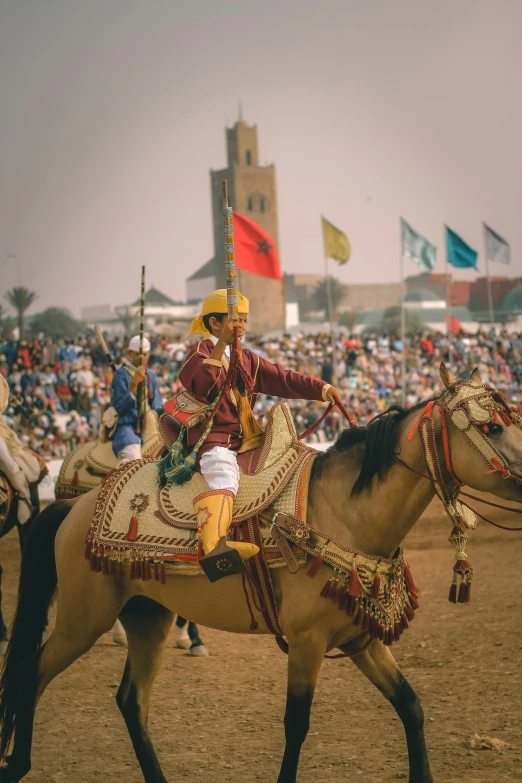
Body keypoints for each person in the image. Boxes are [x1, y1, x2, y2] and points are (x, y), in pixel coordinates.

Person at [178, 289, 341, 574]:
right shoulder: (200, 353)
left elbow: (283, 379)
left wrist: (321, 389)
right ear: (214, 324)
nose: (240, 326)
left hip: (248, 438)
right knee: (224, 474)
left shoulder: (247, 358)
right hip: (214, 440)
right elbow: (204, 384)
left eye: (243, 320)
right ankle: (214, 546)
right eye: (234, 320)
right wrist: (222, 346)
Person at [110, 335, 163, 463]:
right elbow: (118, 407)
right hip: (127, 424)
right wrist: (133, 384)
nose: (142, 358)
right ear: (129, 353)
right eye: (138, 354)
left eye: (145, 354)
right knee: (132, 458)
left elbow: (157, 406)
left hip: (149, 424)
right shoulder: (120, 374)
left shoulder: (151, 375)